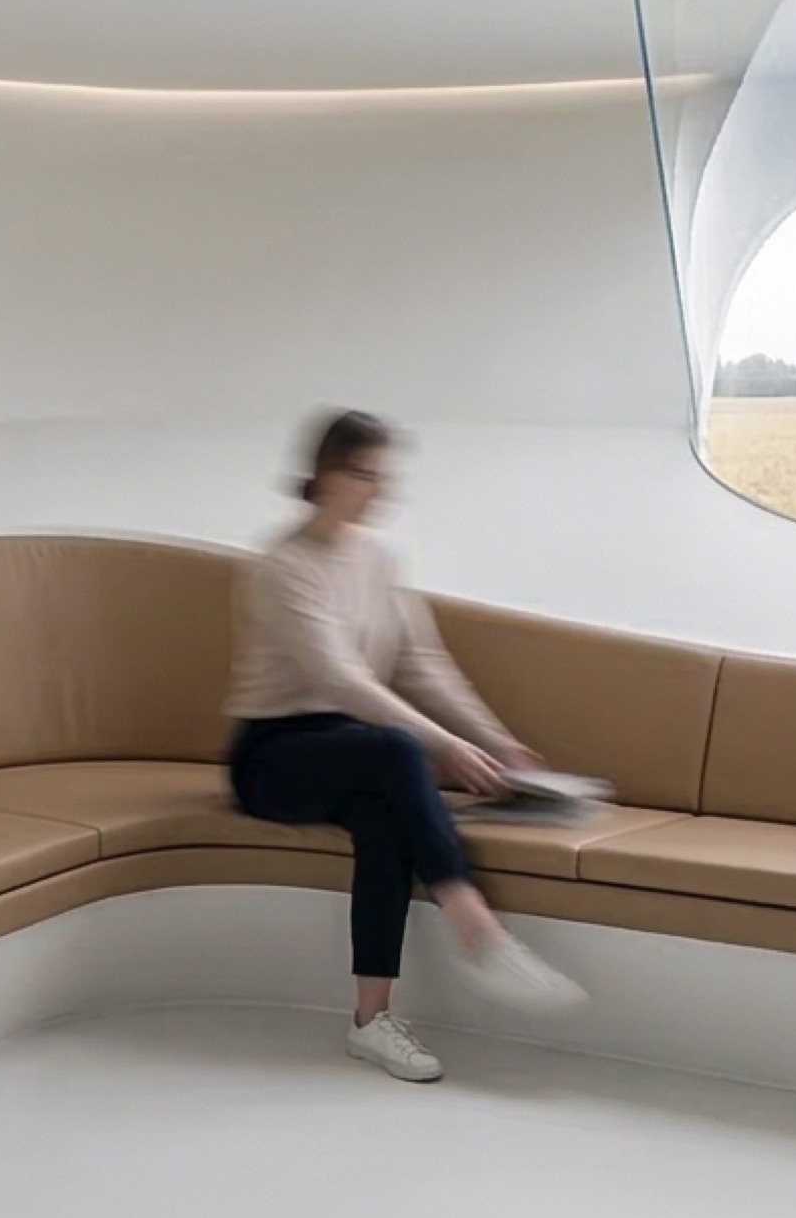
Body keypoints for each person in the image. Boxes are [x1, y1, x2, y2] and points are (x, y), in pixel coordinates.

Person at [225, 409, 586, 1081]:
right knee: (396, 751)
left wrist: (494, 740)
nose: (379, 491)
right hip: (272, 755)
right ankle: (474, 920)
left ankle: (371, 1020)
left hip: (349, 744)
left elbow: (424, 664)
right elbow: (340, 676)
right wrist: (443, 745)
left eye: (386, 478)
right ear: (327, 473)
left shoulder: (379, 561)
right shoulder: (283, 566)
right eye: (366, 474)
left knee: (384, 813)